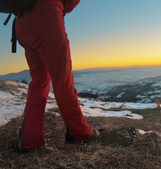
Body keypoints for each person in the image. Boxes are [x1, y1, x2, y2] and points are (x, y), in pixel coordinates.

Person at [15, 0, 99, 151]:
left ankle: (30, 141)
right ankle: (80, 133)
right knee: (63, 80)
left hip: (21, 22)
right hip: (46, 16)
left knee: (39, 81)